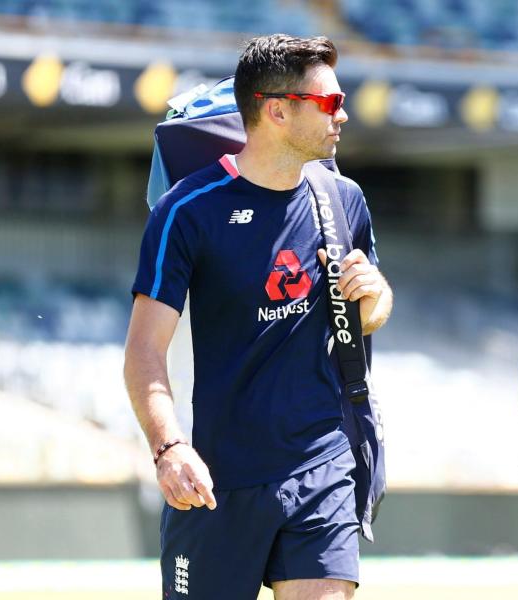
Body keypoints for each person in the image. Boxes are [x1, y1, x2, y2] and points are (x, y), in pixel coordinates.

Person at [124, 34, 392, 600]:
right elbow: (144, 352)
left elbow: (371, 310)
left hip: (321, 464)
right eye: (329, 103)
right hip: (216, 478)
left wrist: (373, 301)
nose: (343, 115)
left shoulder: (344, 199)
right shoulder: (187, 210)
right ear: (275, 110)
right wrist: (170, 449)